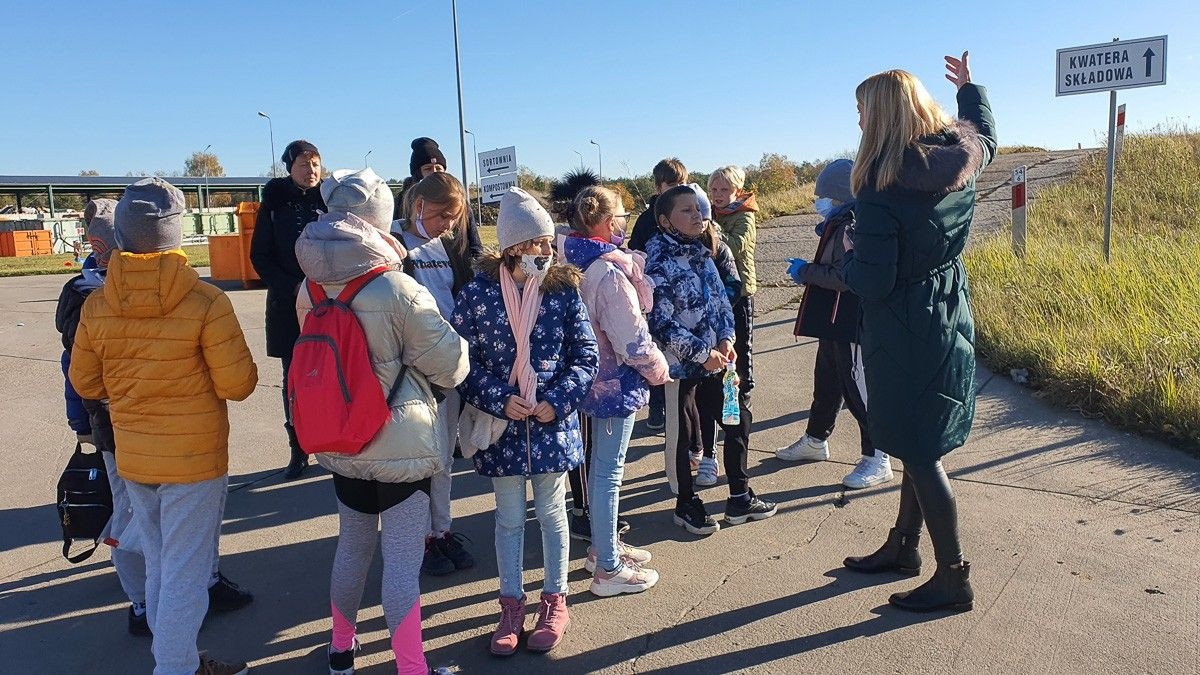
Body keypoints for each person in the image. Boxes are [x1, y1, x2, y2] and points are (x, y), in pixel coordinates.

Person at [70, 178, 258, 675]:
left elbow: (85, 380)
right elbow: (238, 383)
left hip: (135, 455)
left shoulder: (98, 302)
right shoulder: (205, 300)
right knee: (186, 572)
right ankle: (175, 666)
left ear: (122, 234)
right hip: (194, 460)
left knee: (159, 563)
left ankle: (176, 659)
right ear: (175, 233)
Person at [296, 168, 469, 675]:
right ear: (379, 219)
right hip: (400, 444)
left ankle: (341, 650)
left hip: (339, 438)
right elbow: (451, 365)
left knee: (351, 548)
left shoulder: (310, 286)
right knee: (401, 562)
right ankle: (412, 667)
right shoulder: (397, 288)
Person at [840, 52, 996, 613]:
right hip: (947, 310)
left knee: (920, 450)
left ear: (883, 115)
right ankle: (903, 545)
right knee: (917, 440)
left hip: (904, 325)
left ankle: (953, 577)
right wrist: (970, 90)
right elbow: (987, 136)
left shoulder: (880, 187)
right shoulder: (960, 158)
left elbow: (873, 281)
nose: (859, 119)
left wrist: (848, 255)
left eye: (863, 110)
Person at [451, 187, 598, 655]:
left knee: (553, 514)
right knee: (509, 519)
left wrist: (558, 399)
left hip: (552, 424)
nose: (548, 251)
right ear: (515, 247)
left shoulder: (563, 290)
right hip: (504, 428)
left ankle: (555, 600)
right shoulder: (477, 294)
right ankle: (510, 605)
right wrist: (499, 398)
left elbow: (586, 354)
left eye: (550, 242)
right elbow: (461, 361)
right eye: (539, 243)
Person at [644, 185, 776, 535]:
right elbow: (660, 321)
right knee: (683, 434)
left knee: (737, 419)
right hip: (680, 368)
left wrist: (727, 339)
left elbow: (721, 302)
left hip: (718, 363)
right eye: (686, 210)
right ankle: (686, 503)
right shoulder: (658, 260)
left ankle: (740, 496)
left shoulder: (703, 253)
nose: (698, 216)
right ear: (665, 221)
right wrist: (702, 354)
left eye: (698, 209)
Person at [562, 185, 670, 596]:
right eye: (622, 215)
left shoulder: (574, 261)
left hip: (591, 383)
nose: (625, 222)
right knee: (608, 473)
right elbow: (633, 341)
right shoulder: (608, 274)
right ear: (609, 223)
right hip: (613, 386)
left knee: (600, 470)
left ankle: (602, 548)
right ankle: (607, 567)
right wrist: (660, 369)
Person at [777, 159, 894, 489]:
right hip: (833, 318)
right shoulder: (840, 220)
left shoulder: (852, 224)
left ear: (841, 195)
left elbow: (846, 277)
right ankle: (816, 439)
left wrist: (805, 272)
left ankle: (877, 457)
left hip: (850, 319)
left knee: (858, 390)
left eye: (824, 196)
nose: (819, 202)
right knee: (827, 382)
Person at [387, 172, 477, 578]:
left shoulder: (449, 246)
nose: (448, 225)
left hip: (447, 366)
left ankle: (441, 530)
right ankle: (418, 537)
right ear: (418, 206)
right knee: (419, 460)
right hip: (410, 372)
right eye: (443, 215)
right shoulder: (393, 242)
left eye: (454, 218)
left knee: (442, 457)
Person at [249, 139, 325, 479]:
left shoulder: (330, 198)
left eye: (316, 163)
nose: (311, 170)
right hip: (288, 304)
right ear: (289, 168)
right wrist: (292, 287)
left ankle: (334, 439)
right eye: (304, 164)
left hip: (329, 303)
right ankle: (298, 448)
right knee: (293, 377)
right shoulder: (275, 204)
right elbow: (260, 256)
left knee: (334, 369)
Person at [685, 184, 743, 488]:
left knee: (727, 404)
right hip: (693, 346)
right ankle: (707, 453)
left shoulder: (719, 248)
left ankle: (731, 470)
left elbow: (733, 286)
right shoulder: (677, 252)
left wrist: (719, 325)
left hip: (720, 340)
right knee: (701, 405)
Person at [628, 158, 689, 432]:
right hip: (653, 298)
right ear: (658, 187)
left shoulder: (689, 211)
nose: (677, 189)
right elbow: (634, 253)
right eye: (671, 185)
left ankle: (684, 406)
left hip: (683, 298)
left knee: (681, 352)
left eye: (682, 184)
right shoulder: (646, 220)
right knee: (655, 351)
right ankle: (657, 405)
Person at [707, 166, 759, 469]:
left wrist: (714, 230)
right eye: (714, 190)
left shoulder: (745, 215)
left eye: (724, 190)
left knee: (742, 344)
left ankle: (744, 391)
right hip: (720, 291)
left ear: (737, 192)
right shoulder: (712, 213)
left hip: (741, 290)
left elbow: (737, 246)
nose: (718, 195)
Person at [394, 137, 484, 258]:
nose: (434, 173)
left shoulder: (458, 202)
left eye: (438, 168)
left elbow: (475, 246)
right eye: (428, 169)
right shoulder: (400, 203)